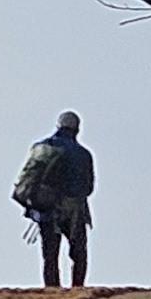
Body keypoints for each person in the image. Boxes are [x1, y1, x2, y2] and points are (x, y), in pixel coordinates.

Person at [13, 111, 95, 288]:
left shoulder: (41, 147)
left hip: (46, 210)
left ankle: (51, 291)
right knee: (79, 254)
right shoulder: (83, 154)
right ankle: (77, 289)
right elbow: (89, 188)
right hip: (75, 212)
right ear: (77, 130)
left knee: (50, 255)